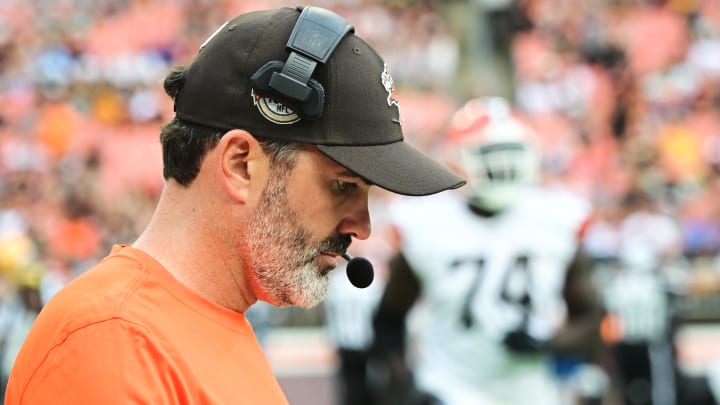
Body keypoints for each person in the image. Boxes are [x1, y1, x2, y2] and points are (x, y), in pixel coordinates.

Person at [4, 6, 465, 404]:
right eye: (343, 185)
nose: (362, 227)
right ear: (241, 165)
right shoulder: (112, 342)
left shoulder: (202, 321)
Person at [370, 97, 605, 405]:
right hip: (448, 390)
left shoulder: (556, 221)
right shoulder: (427, 224)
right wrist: (404, 383)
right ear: (458, 157)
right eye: (491, 152)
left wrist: (547, 343)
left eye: (512, 152)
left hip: (532, 394)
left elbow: (590, 317)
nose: (503, 163)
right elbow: (388, 319)